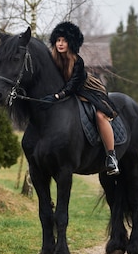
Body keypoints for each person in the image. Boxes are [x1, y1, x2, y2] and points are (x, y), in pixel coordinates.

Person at [44, 21, 120, 175]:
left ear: (71, 42)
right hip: (67, 91)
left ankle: (111, 157)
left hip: (88, 90)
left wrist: (59, 95)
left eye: (64, 40)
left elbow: (73, 85)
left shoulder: (78, 61)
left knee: (100, 115)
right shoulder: (52, 60)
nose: (60, 43)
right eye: (58, 40)